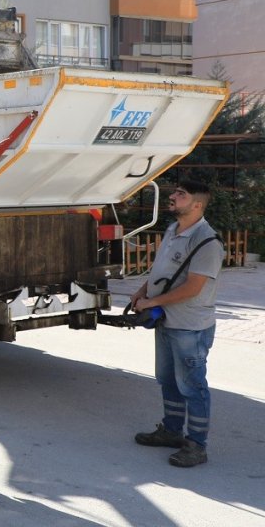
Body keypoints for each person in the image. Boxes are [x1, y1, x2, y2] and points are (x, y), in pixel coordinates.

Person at [130, 179, 224, 468]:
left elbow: (192, 288)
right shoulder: (174, 230)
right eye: (174, 193)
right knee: (168, 380)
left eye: (180, 195)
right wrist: (143, 290)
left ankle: (197, 445)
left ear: (197, 205)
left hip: (189, 325)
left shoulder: (207, 242)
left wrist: (152, 303)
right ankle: (172, 431)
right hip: (167, 322)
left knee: (192, 385)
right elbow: (165, 269)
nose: (172, 197)